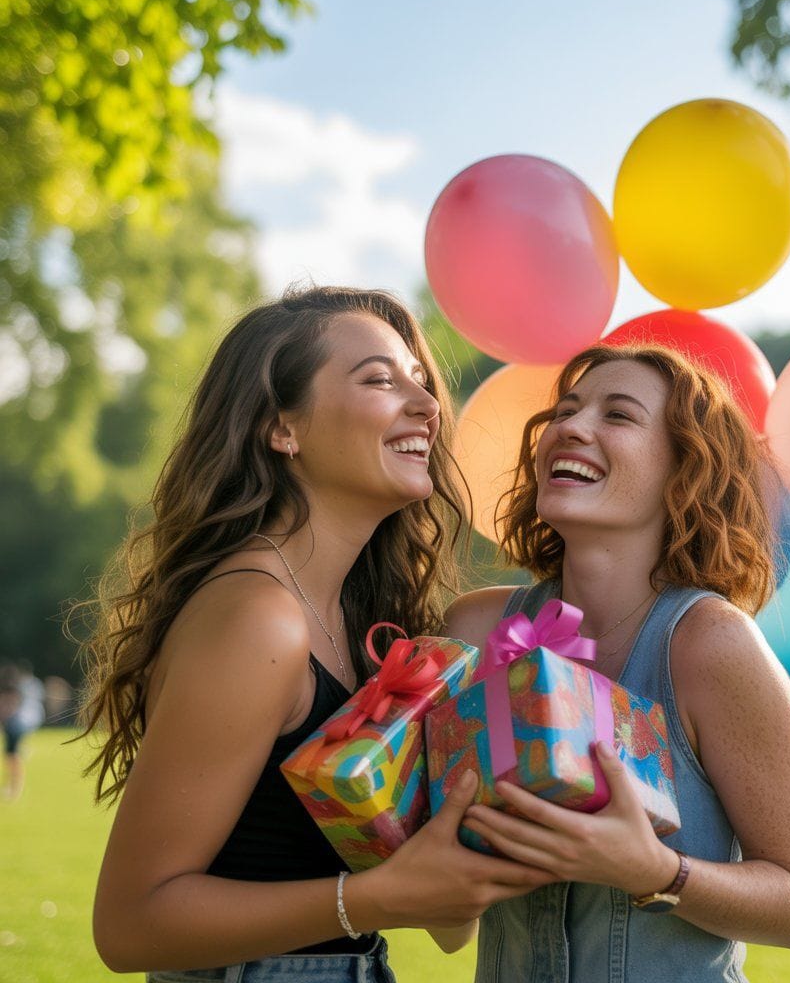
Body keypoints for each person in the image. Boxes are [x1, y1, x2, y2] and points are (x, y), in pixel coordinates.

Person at [75, 287, 554, 982]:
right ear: (282, 428)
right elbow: (130, 926)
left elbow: (448, 929)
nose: (427, 404)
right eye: (380, 380)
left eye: (420, 380)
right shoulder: (260, 619)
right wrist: (376, 898)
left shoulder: (361, 623)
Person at [444, 343, 790, 983]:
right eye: (565, 411)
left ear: (685, 471)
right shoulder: (475, 630)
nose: (571, 427)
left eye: (617, 415)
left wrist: (656, 872)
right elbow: (450, 931)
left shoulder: (713, 645)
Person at [2, 659, 46, 801]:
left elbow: (12, 706)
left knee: (12, 756)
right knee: (11, 756)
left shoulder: (17, 687)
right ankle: (12, 787)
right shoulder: (33, 684)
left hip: (17, 723)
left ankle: (15, 789)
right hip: (27, 720)